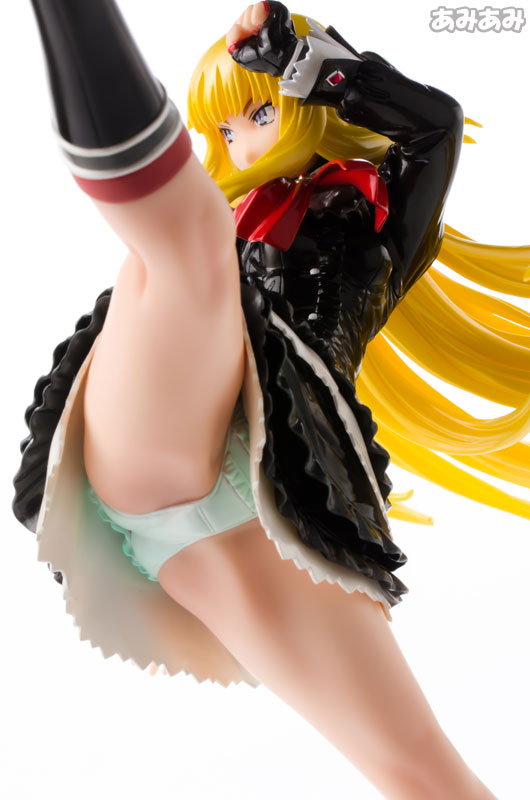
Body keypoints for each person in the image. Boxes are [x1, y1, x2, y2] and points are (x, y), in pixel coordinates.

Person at [13, 1, 529, 797]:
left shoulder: (375, 220)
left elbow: (437, 126)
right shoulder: (215, 229)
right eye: (224, 131)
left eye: (259, 113)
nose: (244, 143)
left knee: (424, 773)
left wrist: (301, 62)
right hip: (161, 443)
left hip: (272, 507)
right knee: (176, 249)